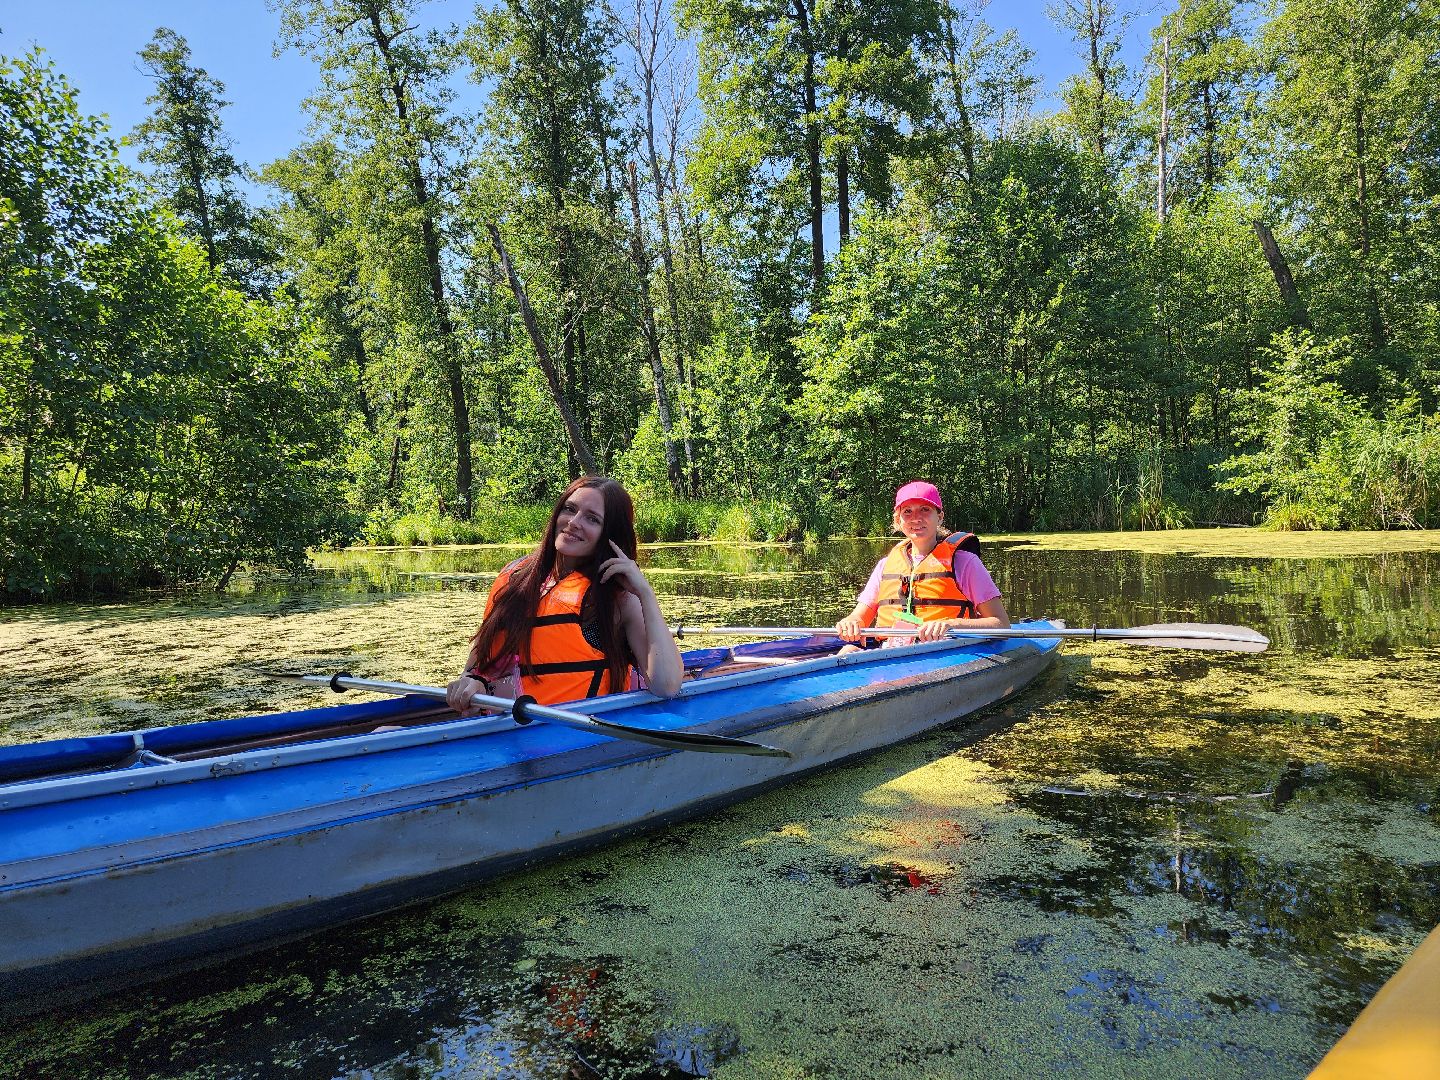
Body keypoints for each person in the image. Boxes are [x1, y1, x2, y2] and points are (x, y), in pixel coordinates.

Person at [446, 476, 683, 716]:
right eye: (569, 509)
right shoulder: (514, 581)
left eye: (592, 519)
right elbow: (476, 667)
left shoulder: (617, 599)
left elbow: (666, 686)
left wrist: (646, 594)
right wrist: (471, 683)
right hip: (505, 732)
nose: (574, 522)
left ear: (609, 534)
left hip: (576, 734)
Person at [835, 481, 1010, 648]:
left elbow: (1001, 624)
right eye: (907, 512)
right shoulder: (884, 565)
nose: (916, 518)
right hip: (889, 651)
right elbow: (860, 617)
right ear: (898, 521)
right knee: (848, 651)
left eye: (925, 510)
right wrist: (851, 622)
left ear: (939, 517)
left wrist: (951, 624)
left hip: (945, 651)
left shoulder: (965, 563)